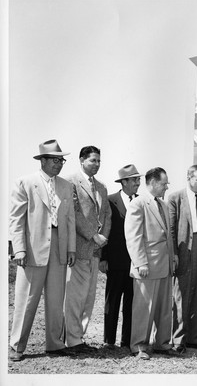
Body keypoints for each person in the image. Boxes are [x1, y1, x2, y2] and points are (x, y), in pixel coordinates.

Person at [9, 139, 76, 362]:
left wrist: (71, 248)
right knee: (26, 299)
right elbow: (16, 220)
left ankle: (55, 345)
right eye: (56, 160)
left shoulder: (66, 186)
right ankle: (17, 346)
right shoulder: (25, 183)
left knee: (57, 300)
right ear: (44, 161)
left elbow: (69, 220)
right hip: (32, 248)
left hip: (59, 247)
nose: (60, 164)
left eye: (62, 160)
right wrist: (19, 249)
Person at [124, 167, 177, 360]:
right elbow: (133, 236)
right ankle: (139, 346)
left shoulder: (163, 205)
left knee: (164, 309)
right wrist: (140, 263)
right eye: (164, 184)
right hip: (147, 266)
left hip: (164, 266)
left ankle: (163, 343)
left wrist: (172, 257)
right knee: (143, 309)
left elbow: (168, 236)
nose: (166, 187)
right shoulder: (138, 204)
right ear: (153, 183)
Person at [65, 145, 112, 352]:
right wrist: (93, 235)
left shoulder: (101, 186)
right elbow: (73, 213)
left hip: (96, 250)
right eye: (93, 160)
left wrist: (103, 238)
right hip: (79, 248)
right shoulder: (70, 182)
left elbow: (107, 215)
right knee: (76, 296)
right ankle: (72, 340)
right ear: (82, 160)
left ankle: (79, 338)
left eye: (99, 161)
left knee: (89, 297)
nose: (97, 164)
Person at [168, 165, 197, 352]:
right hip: (184, 250)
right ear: (188, 177)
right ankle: (178, 340)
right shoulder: (175, 198)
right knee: (181, 296)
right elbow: (170, 229)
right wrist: (174, 254)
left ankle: (195, 338)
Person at [99, 164, 143, 350]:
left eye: (138, 179)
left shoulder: (141, 202)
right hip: (115, 262)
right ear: (123, 182)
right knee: (113, 302)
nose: (137, 183)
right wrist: (103, 257)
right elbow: (104, 230)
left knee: (131, 303)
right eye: (134, 180)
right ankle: (109, 340)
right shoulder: (110, 201)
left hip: (135, 263)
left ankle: (127, 341)